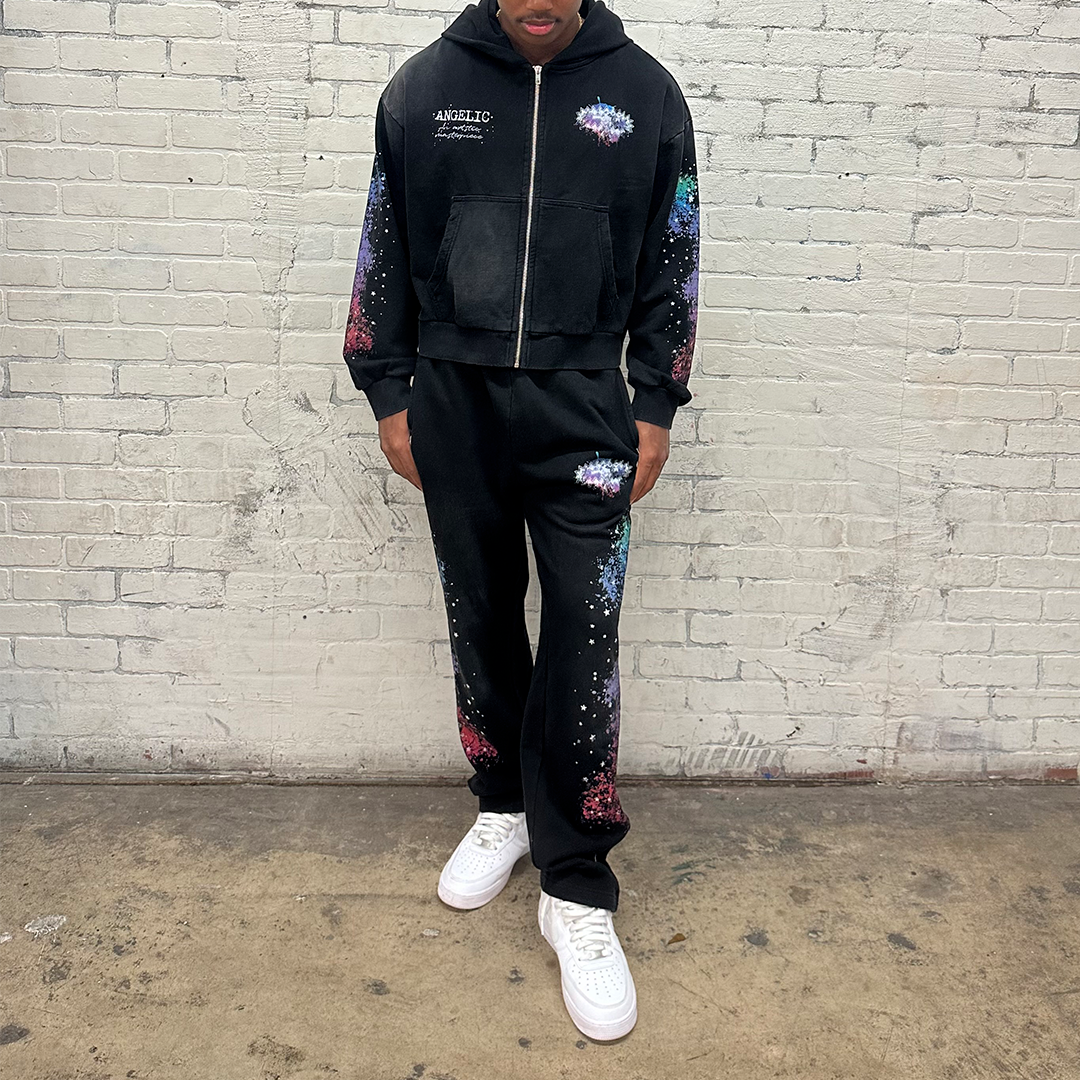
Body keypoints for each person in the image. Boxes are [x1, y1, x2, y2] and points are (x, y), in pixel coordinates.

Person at [342, 0, 698, 1042]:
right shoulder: (424, 88)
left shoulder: (645, 94)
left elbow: (674, 253)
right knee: (483, 615)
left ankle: (575, 883)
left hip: (585, 405)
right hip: (453, 402)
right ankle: (502, 801)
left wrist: (655, 401)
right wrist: (389, 391)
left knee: (586, 634)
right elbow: (385, 239)